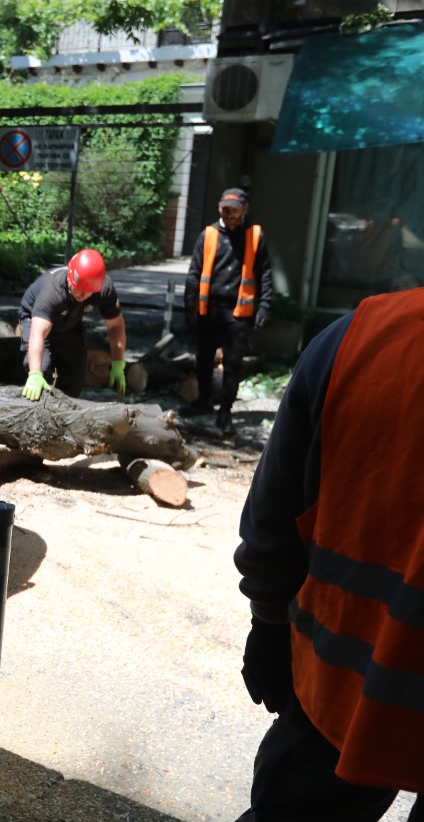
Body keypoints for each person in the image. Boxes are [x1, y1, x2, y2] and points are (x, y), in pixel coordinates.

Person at [234, 288, 424, 821]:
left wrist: (268, 621)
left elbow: (274, 511)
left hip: (341, 683)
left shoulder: (361, 337)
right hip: (342, 689)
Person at [182, 187, 273, 435]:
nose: (228, 213)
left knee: (233, 364)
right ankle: (204, 402)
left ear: (244, 209)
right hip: (208, 309)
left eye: (233, 209)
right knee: (203, 359)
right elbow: (194, 274)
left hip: (238, 311)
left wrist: (265, 304)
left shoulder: (255, 235)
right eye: (225, 208)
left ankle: (225, 412)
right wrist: (189, 306)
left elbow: (264, 272)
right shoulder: (209, 235)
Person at [18, 248, 127, 401]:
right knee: (41, 367)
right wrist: (35, 374)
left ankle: (66, 413)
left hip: (69, 319)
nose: (84, 296)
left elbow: (116, 326)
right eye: (80, 290)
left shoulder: (104, 289)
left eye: (89, 292)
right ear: (70, 279)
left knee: (75, 373)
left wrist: (117, 362)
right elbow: (38, 333)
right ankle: (37, 409)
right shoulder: (53, 291)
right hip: (35, 317)